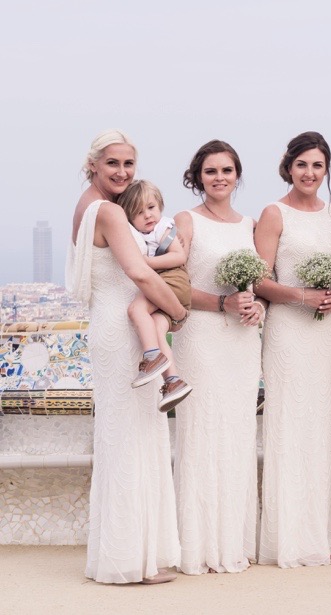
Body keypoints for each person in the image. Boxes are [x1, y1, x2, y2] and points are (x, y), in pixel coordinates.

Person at [67, 130, 186, 584]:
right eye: (113, 163)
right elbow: (136, 270)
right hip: (124, 329)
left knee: (123, 439)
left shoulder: (85, 206)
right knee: (131, 442)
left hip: (111, 326)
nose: (121, 172)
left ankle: (123, 556)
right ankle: (130, 562)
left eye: (128, 164)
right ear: (93, 164)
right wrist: (176, 310)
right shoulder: (111, 212)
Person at [254, 132, 331, 568]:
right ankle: (288, 536)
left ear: (327, 170)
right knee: (290, 425)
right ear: (288, 167)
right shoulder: (274, 214)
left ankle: (321, 532)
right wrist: (302, 296)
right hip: (288, 333)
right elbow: (258, 279)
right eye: (302, 165)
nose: (310, 173)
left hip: (326, 335)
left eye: (318, 166)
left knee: (320, 428)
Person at [173, 140, 264, 574]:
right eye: (211, 171)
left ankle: (232, 541)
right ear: (198, 177)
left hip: (243, 343)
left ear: (237, 174)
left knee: (237, 434)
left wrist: (254, 306)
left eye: (227, 170)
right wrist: (221, 304)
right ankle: (197, 545)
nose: (220, 178)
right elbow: (175, 284)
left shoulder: (250, 224)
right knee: (202, 431)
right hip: (203, 338)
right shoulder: (185, 221)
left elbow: (259, 283)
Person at [116, 180, 193, 413]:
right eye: (139, 212)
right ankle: (173, 382)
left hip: (172, 282)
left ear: (160, 206)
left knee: (136, 310)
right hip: (167, 287)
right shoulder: (140, 233)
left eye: (151, 207)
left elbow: (179, 257)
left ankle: (152, 357)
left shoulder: (163, 228)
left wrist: (146, 263)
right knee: (157, 331)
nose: (148, 215)